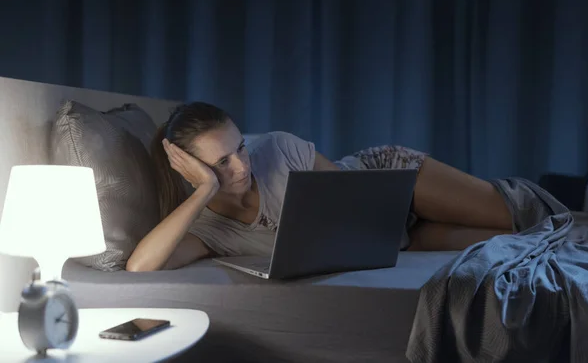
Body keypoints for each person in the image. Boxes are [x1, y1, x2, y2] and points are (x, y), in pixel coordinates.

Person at [126, 102, 514, 272]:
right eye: (221, 163)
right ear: (190, 171)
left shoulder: (278, 147)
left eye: (240, 147)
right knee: (516, 238)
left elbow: (357, 197)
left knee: (512, 215)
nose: (243, 165)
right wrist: (204, 191)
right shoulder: (207, 232)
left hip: (385, 187)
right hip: (392, 240)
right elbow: (140, 266)